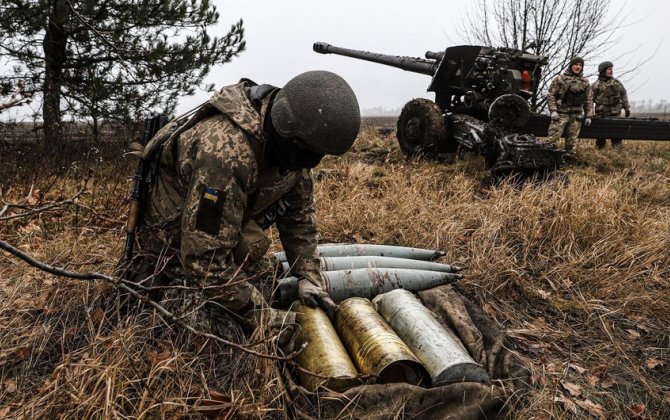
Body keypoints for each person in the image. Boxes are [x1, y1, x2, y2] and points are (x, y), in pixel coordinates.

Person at [124, 70, 360, 334]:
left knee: (268, 282)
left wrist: (308, 277)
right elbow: (204, 260)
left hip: (217, 233)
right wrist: (261, 317)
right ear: (291, 139)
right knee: (221, 331)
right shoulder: (225, 151)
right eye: (311, 154)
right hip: (171, 249)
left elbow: (299, 218)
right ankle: (164, 297)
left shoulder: (293, 146)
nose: (311, 163)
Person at [545, 57, 594, 155]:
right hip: (561, 114)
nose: (578, 67)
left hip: (576, 115)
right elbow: (551, 95)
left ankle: (568, 162)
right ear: (571, 65)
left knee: (572, 143)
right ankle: (548, 160)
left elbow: (589, 99)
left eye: (580, 65)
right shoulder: (560, 78)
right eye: (576, 64)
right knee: (552, 140)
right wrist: (553, 110)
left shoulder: (585, 82)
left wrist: (589, 116)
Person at [592, 61, 630, 148]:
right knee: (600, 138)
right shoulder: (596, 85)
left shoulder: (617, 83)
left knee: (616, 136)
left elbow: (623, 94)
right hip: (601, 114)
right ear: (603, 71)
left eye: (611, 69)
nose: (611, 71)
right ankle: (600, 154)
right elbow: (590, 99)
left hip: (615, 114)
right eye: (609, 69)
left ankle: (617, 153)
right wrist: (589, 112)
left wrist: (626, 108)